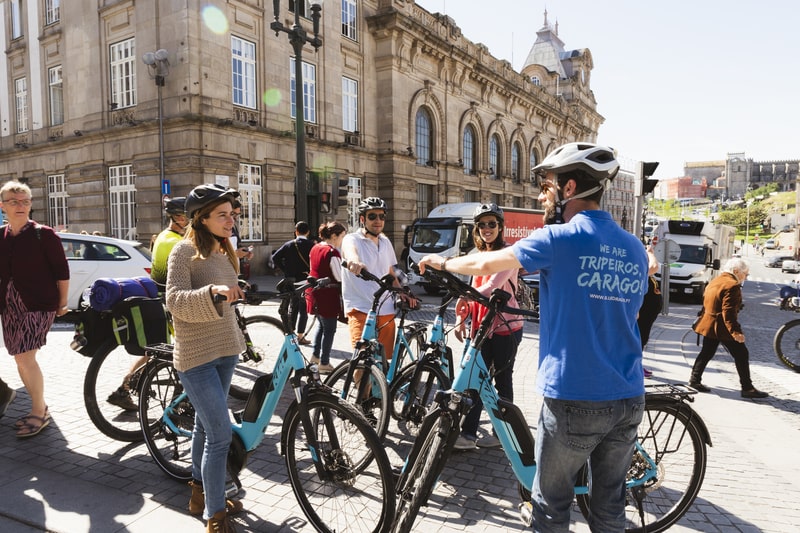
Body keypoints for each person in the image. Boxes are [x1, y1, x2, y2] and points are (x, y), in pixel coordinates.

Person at [419, 142, 648, 532]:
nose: (542, 195)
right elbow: (634, 313)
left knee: (550, 506)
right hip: (629, 394)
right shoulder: (635, 248)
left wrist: (442, 261)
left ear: (570, 188)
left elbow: (486, 261)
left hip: (575, 395)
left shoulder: (560, 238)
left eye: (547, 186)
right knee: (609, 508)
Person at [166, 183, 245, 532]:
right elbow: (174, 301)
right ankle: (215, 515)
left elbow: (224, 300)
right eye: (223, 215)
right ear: (202, 218)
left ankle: (199, 492)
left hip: (225, 349)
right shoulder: (183, 253)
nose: (231, 220)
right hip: (196, 355)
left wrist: (232, 293)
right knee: (219, 434)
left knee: (203, 426)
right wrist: (211, 292)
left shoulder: (224, 250)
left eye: (232, 214)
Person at [0, 180, 70, 438]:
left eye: (25, 201)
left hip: (38, 304)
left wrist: (62, 303)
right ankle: (40, 408)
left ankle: (39, 413)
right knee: (19, 357)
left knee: (26, 358)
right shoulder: (1, 236)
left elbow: (62, 272)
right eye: (14, 201)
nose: (20, 206)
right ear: (3, 206)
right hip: (9, 305)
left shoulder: (44, 234)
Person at [106, 197, 188, 412]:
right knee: (183, 351)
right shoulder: (175, 241)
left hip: (162, 299)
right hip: (172, 302)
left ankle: (124, 389)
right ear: (180, 217)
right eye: (190, 216)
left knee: (155, 352)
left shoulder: (164, 235)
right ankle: (180, 401)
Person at [453, 203, 523, 451]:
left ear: (500, 226)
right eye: (481, 224)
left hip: (506, 326)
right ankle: (468, 435)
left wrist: (464, 297)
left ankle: (503, 434)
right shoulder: (477, 253)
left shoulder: (508, 253)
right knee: (475, 379)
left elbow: (491, 287)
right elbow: (475, 287)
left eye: (491, 223)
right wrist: (463, 317)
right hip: (482, 327)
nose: (486, 228)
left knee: (502, 381)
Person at [341, 197, 416, 360]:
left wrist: (401, 291)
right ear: (363, 219)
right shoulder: (352, 239)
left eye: (381, 216)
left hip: (386, 308)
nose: (378, 221)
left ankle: (382, 386)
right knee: (361, 359)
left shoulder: (385, 241)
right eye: (372, 216)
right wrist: (354, 261)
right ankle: (362, 386)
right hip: (360, 308)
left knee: (384, 359)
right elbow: (349, 251)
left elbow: (390, 271)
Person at [689, 258, 768, 398]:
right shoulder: (732, 285)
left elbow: (707, 302)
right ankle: (747, 388)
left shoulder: (715, 281)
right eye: (746, 274)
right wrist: (736, 332)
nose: (746, 277)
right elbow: (728, 313)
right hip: (722, 327)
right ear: (736, 271)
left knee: (706, 352)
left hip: (709, 324)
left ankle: (694, 380)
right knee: (741, 354)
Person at [306, 221, 347, 373]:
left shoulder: (315, 247)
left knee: (321, 326)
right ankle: (324, 362)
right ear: (334, 236)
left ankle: (315, 357)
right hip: (328, 294)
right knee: (329, 329)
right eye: (342, 236)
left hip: (315, 292)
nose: (343, 239)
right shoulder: (332, 252)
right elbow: (339, 276)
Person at [272, 221, 314, 344]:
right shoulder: (311, 245)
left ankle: (291, 333)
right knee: (303, 308)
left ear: (296, 231)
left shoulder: (288, 244)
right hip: (305, 280)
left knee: (292, 307)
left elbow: (275, 257)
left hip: (290, 280)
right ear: (308, 232)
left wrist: (285, 270)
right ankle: (301, 336)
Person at [638, 245, 662, 378]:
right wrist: (650, 253)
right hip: (641, 314)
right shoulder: (640, 269)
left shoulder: (644, 270)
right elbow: (654, 267)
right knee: (639, 340)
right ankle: (635, 367)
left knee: (642, 339)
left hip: (646, 315)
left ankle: (637, 365)